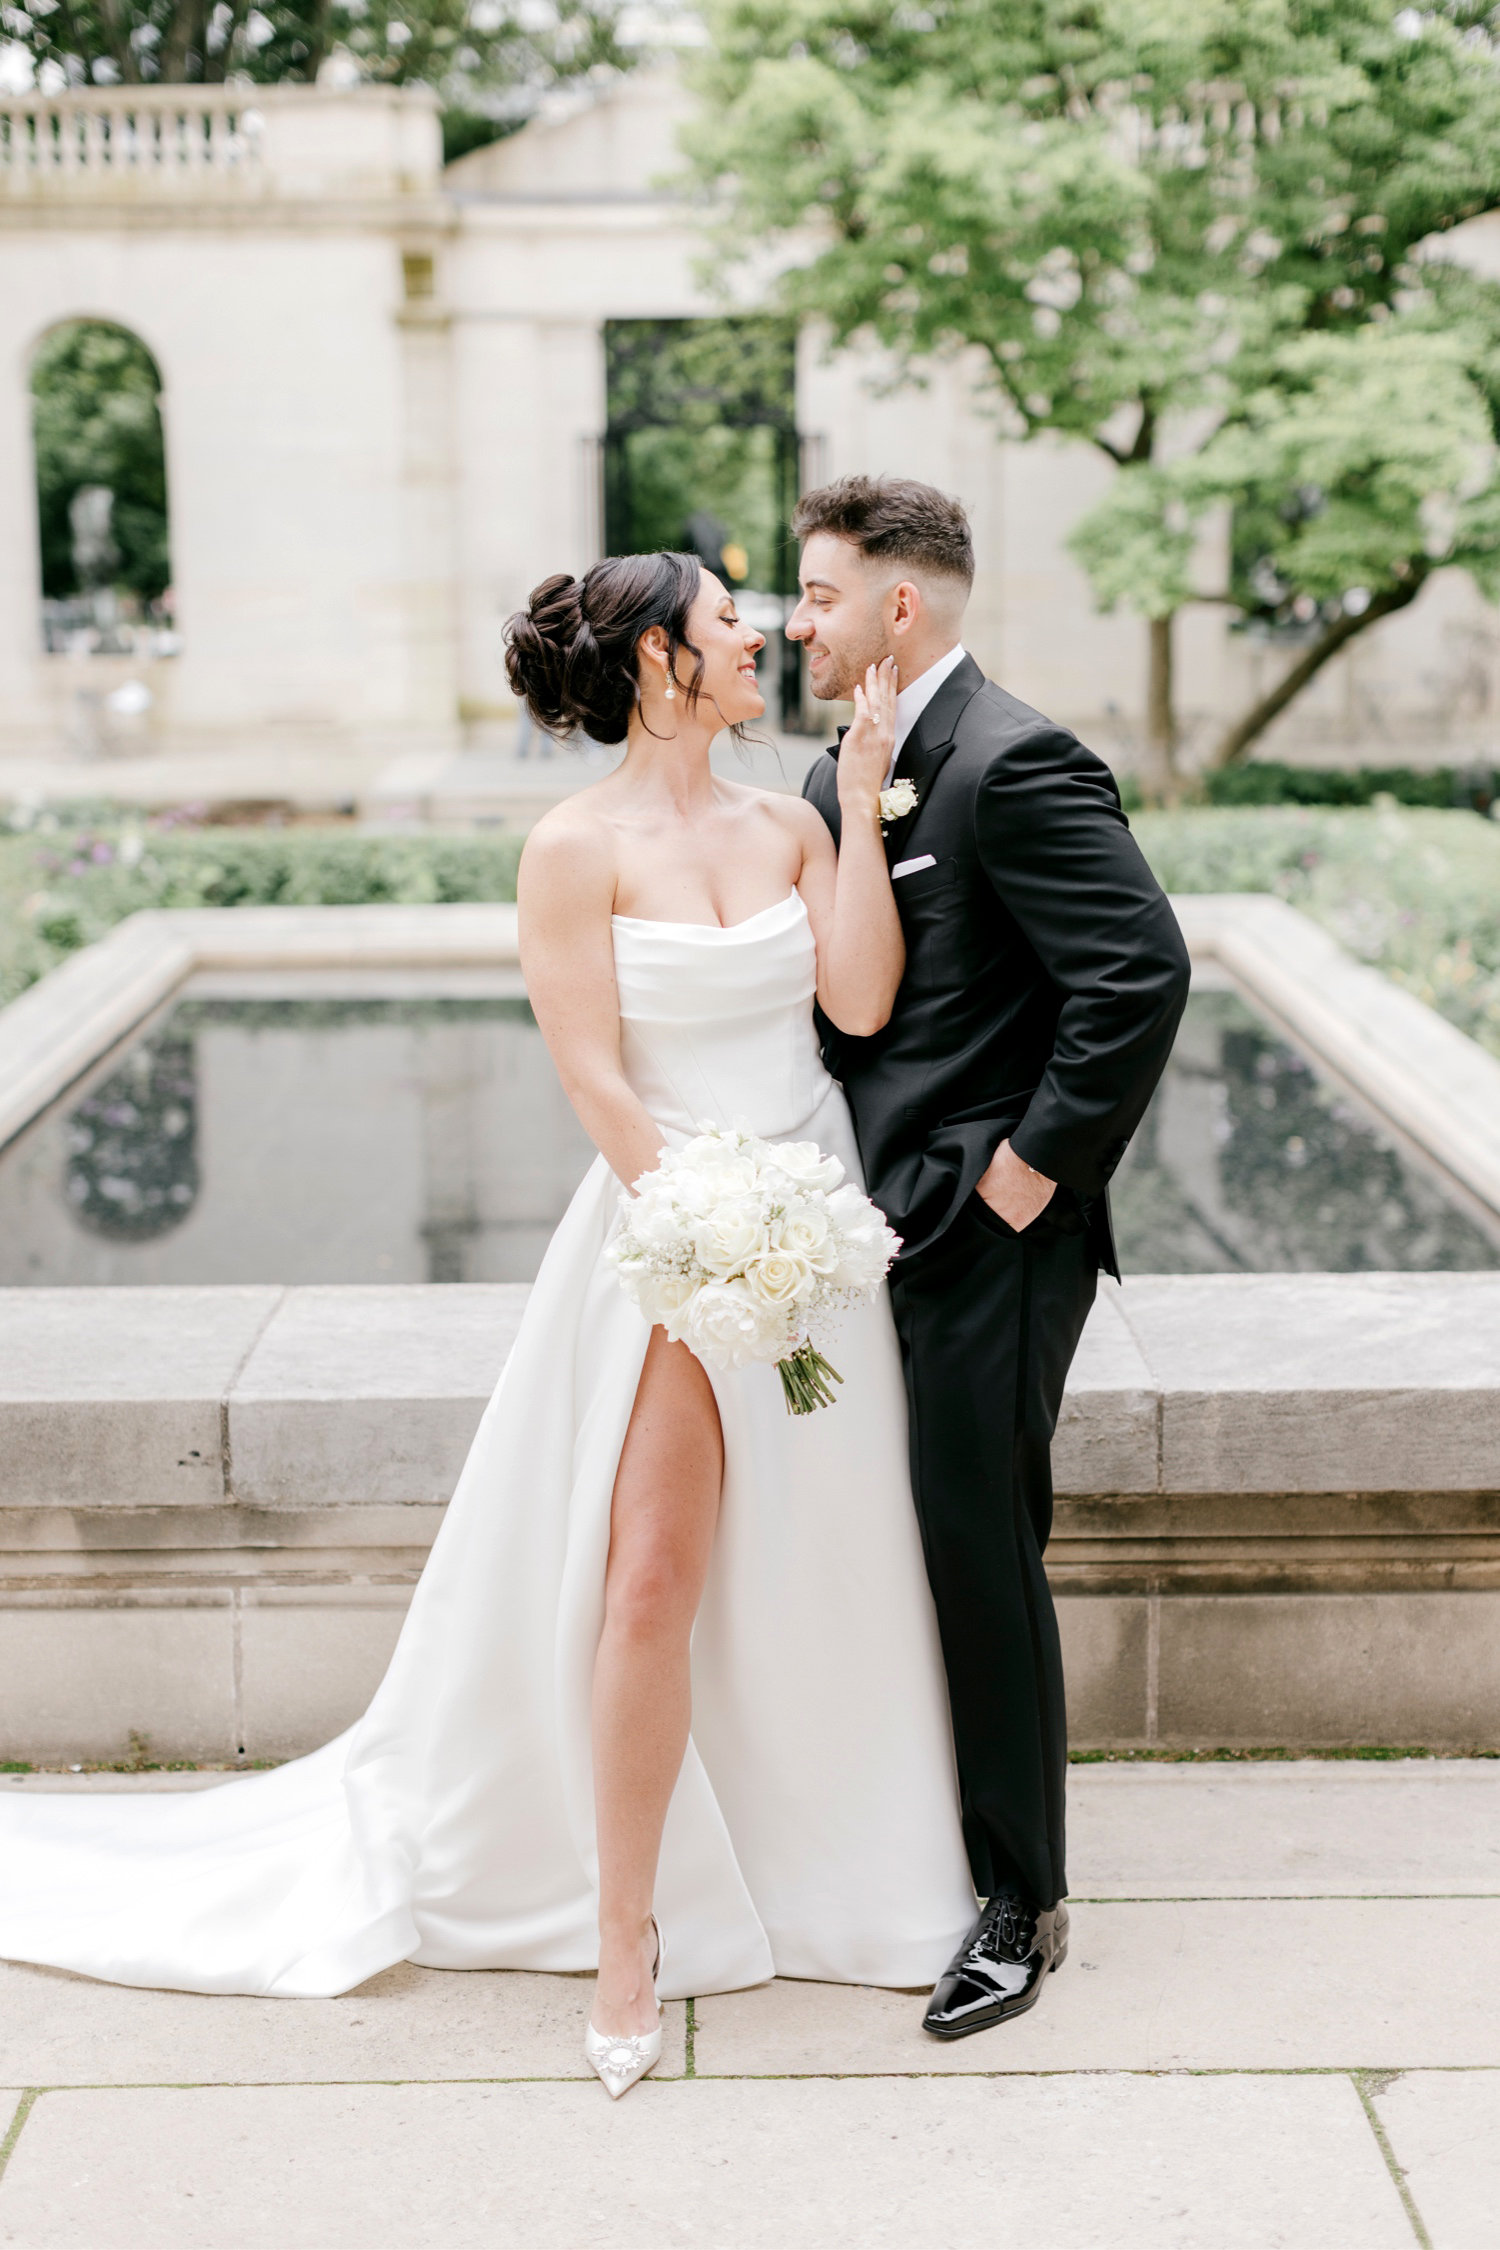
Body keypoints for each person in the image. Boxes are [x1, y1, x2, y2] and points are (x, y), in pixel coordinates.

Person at [0, 550, 976, 2099]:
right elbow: (594, 1075)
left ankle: (826, 1870)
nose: (761, 641)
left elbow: (857, 1007)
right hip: (673, 1241)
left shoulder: (793, 819)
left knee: (826, 1563)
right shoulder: (570, 848)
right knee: (646, 1578)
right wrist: (704, 1237)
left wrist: (861, 805)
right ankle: (621, 1933)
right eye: (730, 623)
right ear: (660, 660)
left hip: (815, 1236)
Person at [791, 475, 1190, 2039]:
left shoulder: (1017, 759)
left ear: (902, 605)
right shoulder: (854, 761)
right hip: (882, 1224)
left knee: (980, 1542)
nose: (795, 623)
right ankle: (935, 1839)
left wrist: (1029, 1177)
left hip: (989, 1232)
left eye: (821, 594)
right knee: (930, 1538)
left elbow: (1139, 976)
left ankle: (1023, 1902)